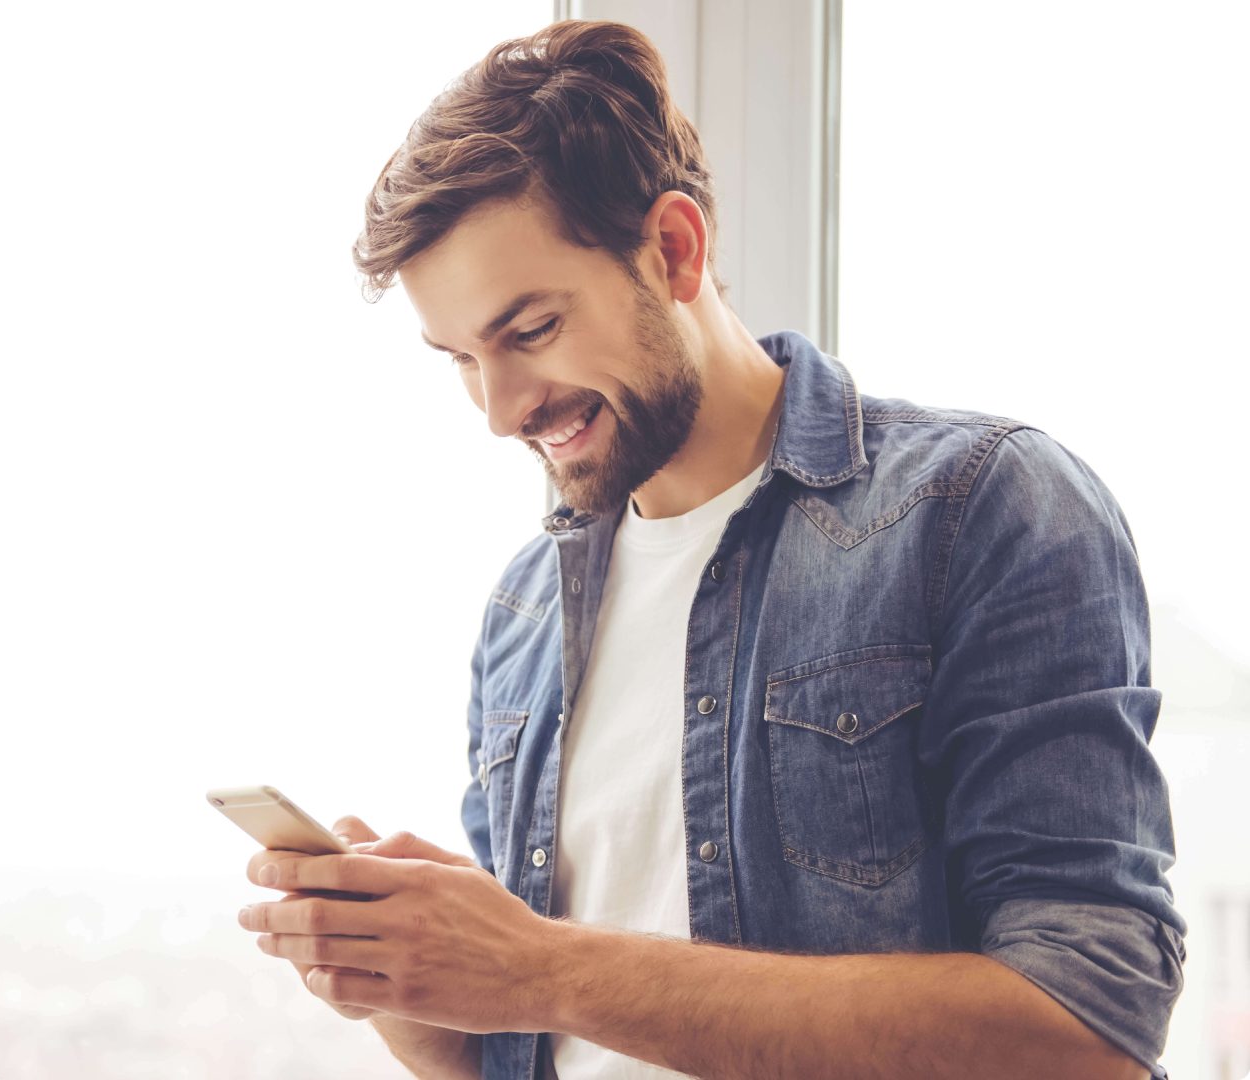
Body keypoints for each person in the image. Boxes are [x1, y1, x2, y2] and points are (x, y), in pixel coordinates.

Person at [236, 19, 1185, 1080]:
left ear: (676, 250)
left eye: (531, 331)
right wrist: (409, 979)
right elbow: (534, 1047)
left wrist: (538, 967)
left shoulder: (980, 507)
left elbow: (1084, 1034)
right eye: (460, 358)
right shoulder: (525, 614)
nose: (500, 412)